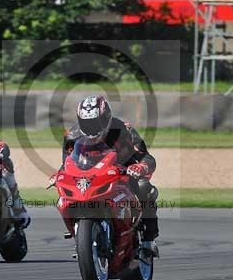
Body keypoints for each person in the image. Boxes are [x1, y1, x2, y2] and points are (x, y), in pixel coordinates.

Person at [58, 95, 160, 255]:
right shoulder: (72, 136)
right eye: (86, 123)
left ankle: (148, 240)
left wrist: (140, 166)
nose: (91, 128)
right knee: (63, 195)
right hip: (90, 178)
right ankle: (79, 235)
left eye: (95, 122)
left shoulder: (124, 130)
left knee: (144, 187)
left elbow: (146, 157)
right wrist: (59, 175)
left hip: (122, 174)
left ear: (106, 118)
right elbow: (67, 163)